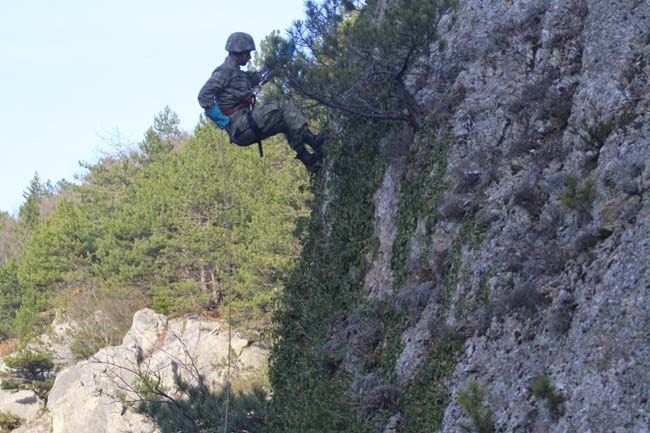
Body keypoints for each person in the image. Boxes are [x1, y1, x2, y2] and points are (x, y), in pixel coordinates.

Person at [198, 32, 324, 169]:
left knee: (284, 122)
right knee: (283, 107)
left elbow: (261, 77)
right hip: (240, 125)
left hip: (243, 125)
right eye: (248, 53)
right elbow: (204, 96)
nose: (250, 57)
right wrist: (221, 119)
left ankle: (308, 159)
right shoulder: (224, 72)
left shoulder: (238, 73)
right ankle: (314, 141)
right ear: (239, 52)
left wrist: (281, 59)